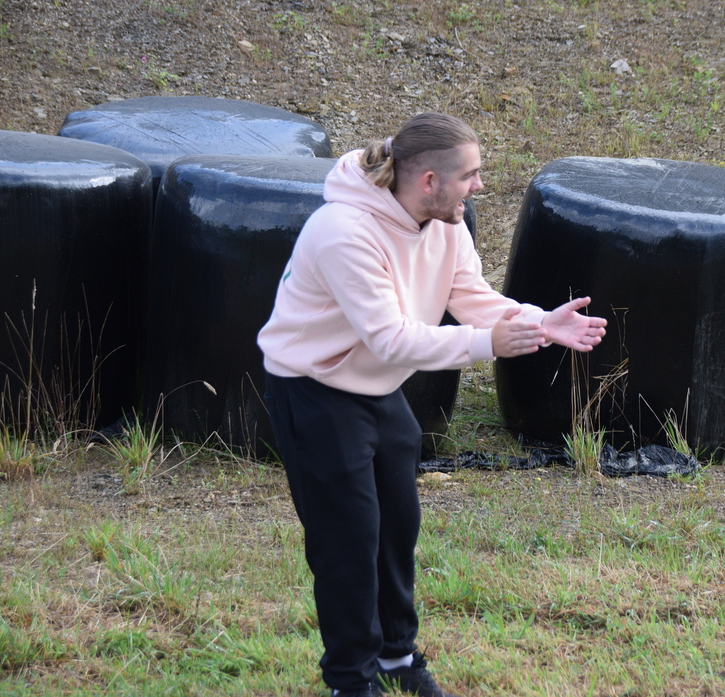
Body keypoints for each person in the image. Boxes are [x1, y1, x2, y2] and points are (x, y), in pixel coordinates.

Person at [258, 112, 606, 697]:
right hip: (315, 391)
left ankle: (396, 657)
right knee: (348, 543)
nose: (479, 186)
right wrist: (488, 345)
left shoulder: (447, 224)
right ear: (428, 181)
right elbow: (390, 339)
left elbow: (471, 297)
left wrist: (539, 322)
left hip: (376, 389)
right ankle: (350, 681)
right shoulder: (343, 231)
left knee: (397, 528)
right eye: (470, 175)